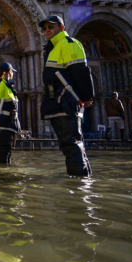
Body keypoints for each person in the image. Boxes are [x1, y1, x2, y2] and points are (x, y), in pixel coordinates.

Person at [39, 15, 94, 176]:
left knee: (71, 144)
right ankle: (83, 180)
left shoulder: (69, 43)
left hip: (67, 102)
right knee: (70, 144)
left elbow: (81, 71)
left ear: (62, 28)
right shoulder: (53, 48)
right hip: (57, 101)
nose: (47, 30)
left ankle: (78, 186)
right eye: (44, 28)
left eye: (51, 26)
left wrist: (86, 96)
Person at [0, 63, 21, 164]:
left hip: (11, 123)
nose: (13, 74)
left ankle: (6, 171)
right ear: (9, 72)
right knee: (5, 149)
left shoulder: (8, 86)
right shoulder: (0, 85)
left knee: (9, 149)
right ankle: (3, 174)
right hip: (4, 124)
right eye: (12, 72)